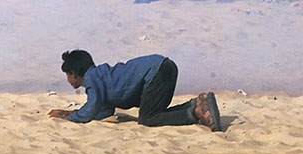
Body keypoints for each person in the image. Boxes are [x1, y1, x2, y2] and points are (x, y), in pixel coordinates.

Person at [49, 50, 220, 131]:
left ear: (73, 73)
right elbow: (103, 109)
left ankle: (197, 112)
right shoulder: (99, 76)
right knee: (155, 112)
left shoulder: (92, 79)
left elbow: (92, 107)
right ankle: (197, 103)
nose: (67, 80)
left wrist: (72, 118)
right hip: (163, 66)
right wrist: (70, 112)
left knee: (147, 119)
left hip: (156, 72)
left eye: (67, 75)